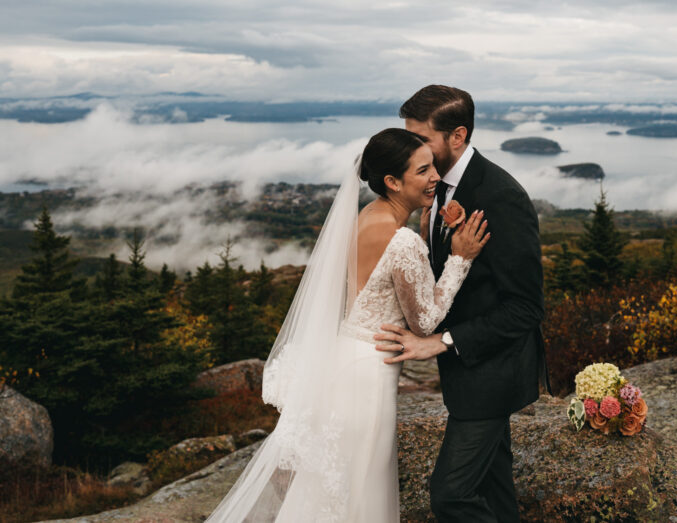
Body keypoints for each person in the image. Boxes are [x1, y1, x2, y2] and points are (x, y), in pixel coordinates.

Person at [205, 127, 490, 522]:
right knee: (358, 493)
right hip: (368, 377)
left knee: (327, 492)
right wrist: (460, 258)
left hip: (343, 361)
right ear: (392, 181)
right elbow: (425, 322)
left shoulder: (367, 216)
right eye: (423, 171)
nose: (435, 177)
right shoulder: (401, 240)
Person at [375, 85, 547, 522]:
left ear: (457, 136)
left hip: (492, 374)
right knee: (495, 490)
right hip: (466, 375)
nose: (414, 146)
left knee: (451, 497)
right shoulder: (433, 188)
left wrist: (442, 341)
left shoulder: (499, 196)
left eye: (422, 138)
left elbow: (525, 307)